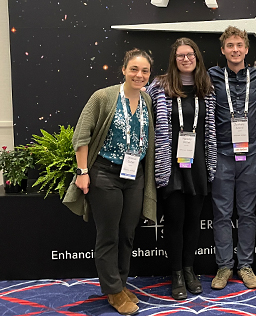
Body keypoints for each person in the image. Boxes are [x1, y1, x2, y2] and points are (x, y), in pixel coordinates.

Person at [64, 48, 156, 315]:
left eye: (145, 71)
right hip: (105, 174)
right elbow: (82, 136)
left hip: (134, 175)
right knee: (109, 235)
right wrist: (82, 173)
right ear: (124, 70)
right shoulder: (103, 97)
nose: (139, 75)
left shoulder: (147, 100)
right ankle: (113, 292)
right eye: (134, 69)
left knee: (127, 234)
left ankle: (120, 283)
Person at [146, 38, 216, 300]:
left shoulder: (206, 88)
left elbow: (211, 129)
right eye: (180, 56)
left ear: (197, 57)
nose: (186, 59)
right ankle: (175, 273)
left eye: (190, 55)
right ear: (173, 60)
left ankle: (189, 270)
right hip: (171, 165)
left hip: (197, 163)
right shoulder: (159, 87)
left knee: (193, 222)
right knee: (174, 222)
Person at [208, 26, 256, 290]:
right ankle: (223, 266)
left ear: (246, 49)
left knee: (246, 213)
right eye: (229, 45)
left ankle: (245, 264)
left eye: (239, 45)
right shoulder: (211, 76)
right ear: (223, 50)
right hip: (222, 155)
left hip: (252, 155)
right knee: (221, 213)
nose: (235, 50)